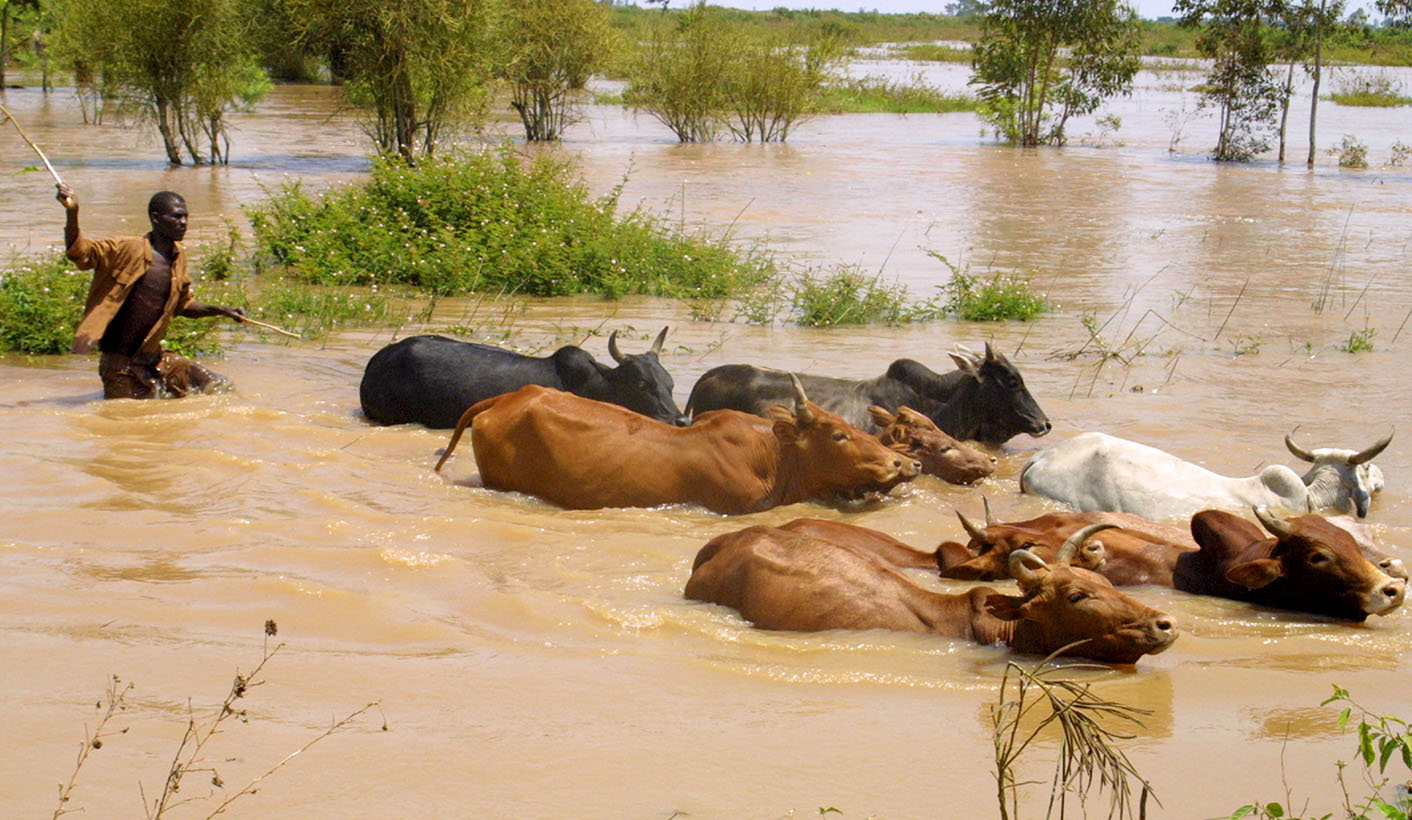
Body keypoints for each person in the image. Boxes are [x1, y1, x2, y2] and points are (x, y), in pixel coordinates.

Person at [56, 183, 246, 399]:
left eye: (186, 217)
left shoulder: (178, 256)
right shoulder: (127, 248)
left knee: (218, 386)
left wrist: (221, 310)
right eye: (176, 217)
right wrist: (72, 213)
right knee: (127, 415)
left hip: (155, 359)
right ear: (156, 218)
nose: (184, 223)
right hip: (120, 366)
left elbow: (184, 305)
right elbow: (80, 252)